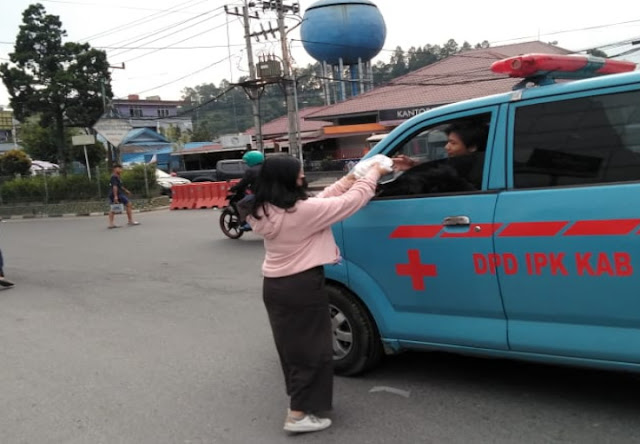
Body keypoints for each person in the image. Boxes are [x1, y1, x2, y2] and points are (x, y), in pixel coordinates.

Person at [244, 155, 390, 434]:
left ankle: (304, 403)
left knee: (294, 349)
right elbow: (350, 202)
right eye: (300, 175)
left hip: (276, 287)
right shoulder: (300, 212)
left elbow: (320, 201)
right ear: (288, 180)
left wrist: (348, 179)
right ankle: (298, 414)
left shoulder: (267, 208)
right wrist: (373, 173)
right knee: (311, 350)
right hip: (301, 286)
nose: (303, 178)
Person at [108, 164, 140, 229]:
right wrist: (116, 196)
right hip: (117, 194)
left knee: (113, 208)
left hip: (117, 194)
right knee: (128, 204)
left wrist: (126, 190)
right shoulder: (114, 177)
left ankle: (111, 224)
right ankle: (130, 221)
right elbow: (115, 186)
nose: (121, 170)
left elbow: (120, 186)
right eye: (119, 168)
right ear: (114, 169)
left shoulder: (118, 176)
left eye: (121, 168)